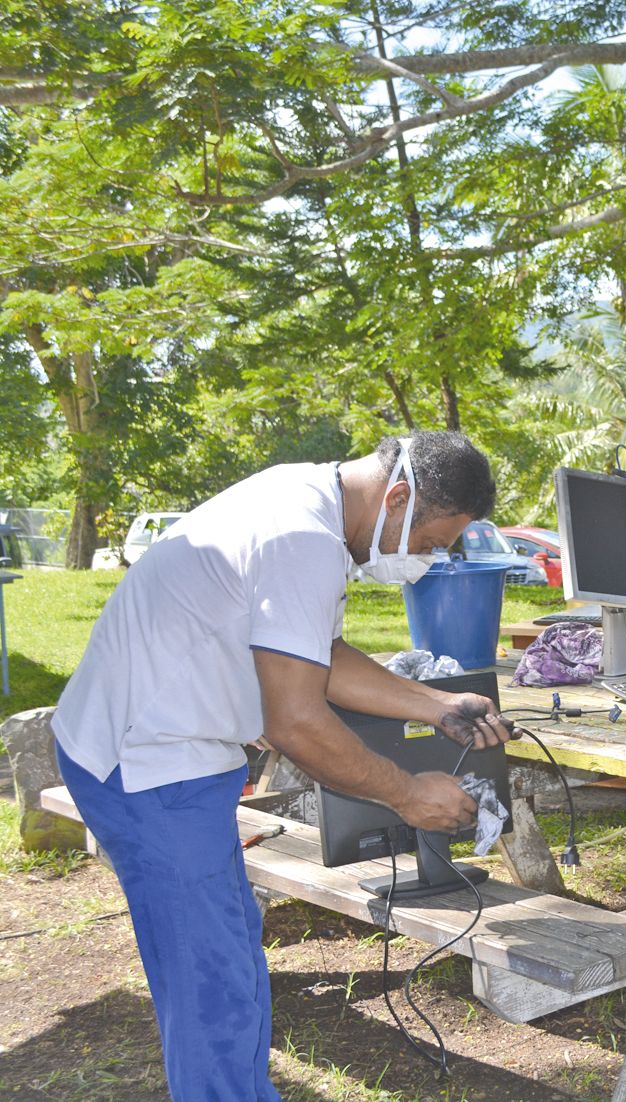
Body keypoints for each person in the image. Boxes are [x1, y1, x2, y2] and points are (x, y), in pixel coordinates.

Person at [51, 432, 516, 1101]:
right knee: (212, 983)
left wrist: (437, 702)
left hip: (166, 753)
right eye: (431, 542)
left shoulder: (307, 499)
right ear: (401, 497)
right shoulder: (303, 540)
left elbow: (317, 655)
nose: (428, 560)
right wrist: (409, 793)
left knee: (231, 943)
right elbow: (294, 720)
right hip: (145, 765)